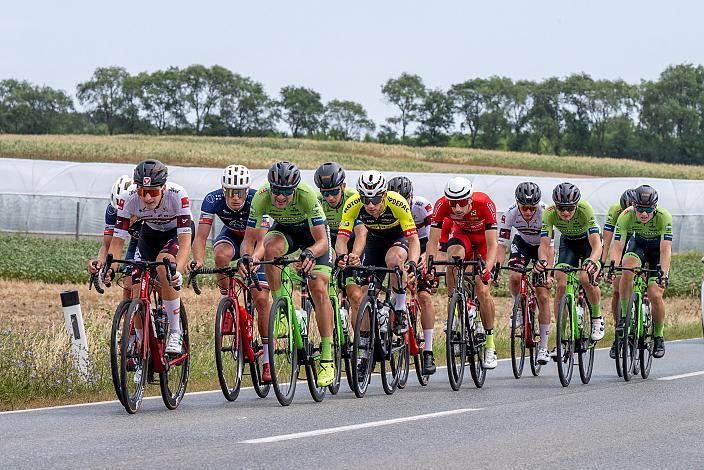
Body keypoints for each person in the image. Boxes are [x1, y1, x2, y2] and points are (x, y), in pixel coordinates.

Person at [240, 161, 336, 387]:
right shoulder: (261, 197)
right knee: (270, 248)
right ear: (270, 187)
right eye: (277, 191)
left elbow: (322, 241)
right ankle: (282, 306)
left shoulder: (307, 196)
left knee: (319, 287)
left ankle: (327, 357)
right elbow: (249, 239)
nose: (280, 198)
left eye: (286, 193)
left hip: (314, 238)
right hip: (286, 231)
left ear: (294, 190)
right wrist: (246, 256)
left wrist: (311, 254)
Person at [104, 160, 193, 355]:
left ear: (163, 187)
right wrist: (109, 268)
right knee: (135, 286)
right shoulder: (128, 199)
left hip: (174, 234)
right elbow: (117, 241)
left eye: (152, 192)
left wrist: (178, 269)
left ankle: (175, 332)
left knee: (163, 266)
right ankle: (143, 347)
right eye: (142, 191)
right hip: (149, 234)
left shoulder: (178, 195)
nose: (147, 197)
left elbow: (186, 239)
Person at [336, 170, 420, 376]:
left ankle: (399, 309)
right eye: (365, 199)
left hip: (396, 237)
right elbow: (341, 238)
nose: (370, 205)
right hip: (375, 240)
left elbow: (414, 240)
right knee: (363, 296)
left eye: (374, 199)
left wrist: (412, 263)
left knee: (393, 260)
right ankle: (364, 351)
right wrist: (342, 256)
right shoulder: (353, 204)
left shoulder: (398, 203)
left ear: (384, 195)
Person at [425, 177, 499, 369]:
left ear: (470, 199)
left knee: (482, 291)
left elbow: (492, 245)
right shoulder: (441, 205)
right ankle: (455, 304)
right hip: (462, 235)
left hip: (483, 241)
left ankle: (490, 345)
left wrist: (487, 269)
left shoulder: (484, 203)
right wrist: (429, 267)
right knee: (453, 258)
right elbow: (432, 243)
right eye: (453, 204)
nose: (457, 209)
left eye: (462, 203)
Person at [189, 164, 269, 323]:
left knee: (260, 299)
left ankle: (267, 346)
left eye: (240, 193)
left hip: (255, 243)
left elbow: (262, 241)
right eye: (231, 192)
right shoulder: (213, 200)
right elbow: (201, 238)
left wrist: (254, 258)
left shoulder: (258, 199)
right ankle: (227, 301)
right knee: (220, 255)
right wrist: (198, 260)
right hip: (231, 236)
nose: (236, 198)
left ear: (247, 191)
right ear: (223, 190)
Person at [534, 182, 604, 346]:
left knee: (586, 278)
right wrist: (543, 261)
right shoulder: (549, 213)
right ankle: (561, 339)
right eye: (561, 208)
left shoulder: (585, 209)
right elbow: (544, 245)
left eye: (570, 208)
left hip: (589, 244)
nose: (565, 212)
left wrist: (592, 261)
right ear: (555, 206)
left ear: (576, 205)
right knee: (561, 283)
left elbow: (597, 245)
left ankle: (596, 318)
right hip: (569, 243)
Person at [608, 185, 672, 358]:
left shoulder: (664, 217)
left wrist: (663, 274)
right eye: (640, 209)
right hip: (639, 246)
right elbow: (618, 245)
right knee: (627, 268)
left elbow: (666, 250)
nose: (644, 214)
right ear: (634, 206)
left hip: (657, 250)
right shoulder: (626, 215)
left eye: (648, 209)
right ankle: (624, 318)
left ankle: (658, 336)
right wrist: (613, 266)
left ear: (655, 207)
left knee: (655, 294)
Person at [494, 182, 554, 365]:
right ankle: (518, 307)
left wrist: (549, 273)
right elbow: (502, 245)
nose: (528, 212)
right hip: (521, 243)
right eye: (524, 208)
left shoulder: (546, 213)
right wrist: (496, 268)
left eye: (531, 208)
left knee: (542, 295)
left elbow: (549, 248)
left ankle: (543, 347)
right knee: (514, 275)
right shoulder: (510, 213)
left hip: (542, 247)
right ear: (517, 203)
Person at [388, 175, 436, 375]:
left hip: (423, 245)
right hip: (402, 244)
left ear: (411, 197)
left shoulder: (422, 208)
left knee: (424, 296)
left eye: (404, 198)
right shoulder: (387, 207)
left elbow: (435, 239)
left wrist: (425, 257)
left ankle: (429, 351)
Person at [313, 162, 367, 322]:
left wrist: (354, 255)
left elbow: (361, 233)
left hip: (352, 240)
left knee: (354, 295)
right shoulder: (317, 202)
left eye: (334, 192)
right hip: (330, 239)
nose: (330, 197)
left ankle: (360, 339)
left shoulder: (353, 198)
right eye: (325, 193)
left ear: (343, 186)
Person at [88, 175, 141, 300]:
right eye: (120, 213)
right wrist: (100, 265)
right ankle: (129, 317)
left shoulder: (146, 209)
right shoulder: (112, 211)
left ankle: (164, 308)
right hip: (136, 241)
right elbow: (108, 246)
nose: (124, 216)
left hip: (151, 240)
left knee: (155, 278)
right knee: (128, 283)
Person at [601, 188, 635, 359]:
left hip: (638, 241)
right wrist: (603, 263)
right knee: (617, 287)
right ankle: (619, 331)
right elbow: (607, 241)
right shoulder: (615, 211)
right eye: (624, 210)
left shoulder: (644, 211)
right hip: (620, 242)